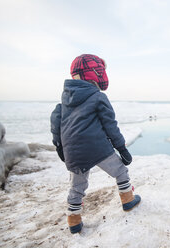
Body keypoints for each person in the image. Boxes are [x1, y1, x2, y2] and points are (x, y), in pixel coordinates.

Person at [50, 54, 141, 234]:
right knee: (120, 172)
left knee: (76, 187)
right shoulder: (98, 97)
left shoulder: (64, 102)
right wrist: (122, 148)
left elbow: (56, 121)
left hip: (74, 153)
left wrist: (60, 147)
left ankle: (74, 221)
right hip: (99, 149)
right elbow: (110, 126)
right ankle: (128, 200)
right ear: (94, 74)